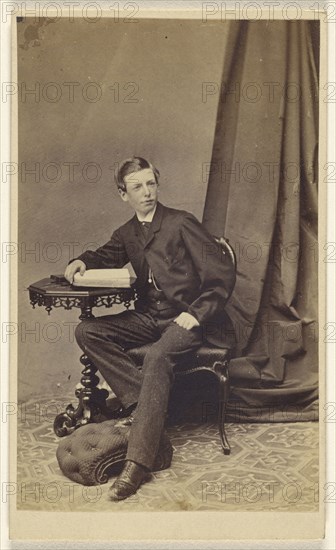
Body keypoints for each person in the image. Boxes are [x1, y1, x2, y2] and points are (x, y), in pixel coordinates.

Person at [65, 156, 236, 501]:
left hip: (187, 318)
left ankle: (139, 463)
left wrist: (197, 313)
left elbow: (221, 276)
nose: (146, 193)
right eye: (137, 187)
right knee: (88, 332)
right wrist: (82, 260)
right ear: (122, 194)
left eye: (151, 184)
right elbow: (106, 255)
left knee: (158, 356)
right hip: (148, 317)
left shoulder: (181, 223)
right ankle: (144, 413)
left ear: (157, 184)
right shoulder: (128, 232)